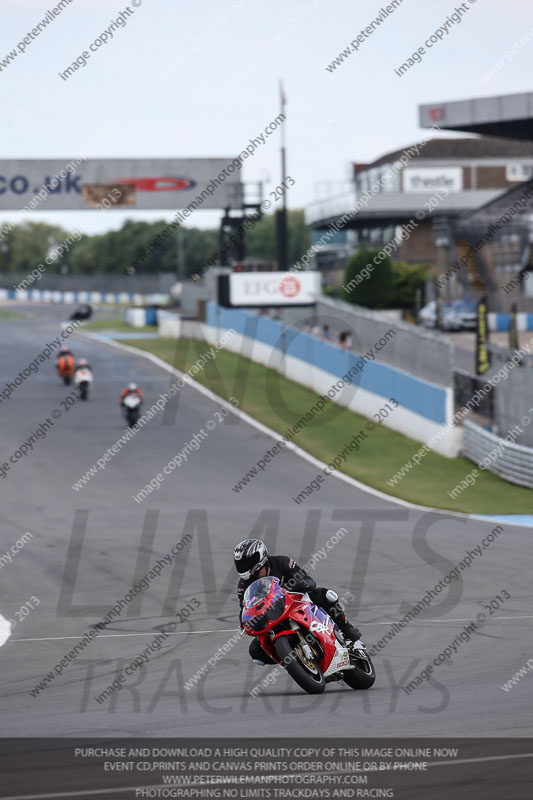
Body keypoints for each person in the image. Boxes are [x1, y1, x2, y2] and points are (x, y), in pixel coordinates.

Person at [234, 538, 362, 666]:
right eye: (241, 563)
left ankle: (347, 630)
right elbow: (245, 609)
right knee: (256, 652)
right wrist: (245, 622)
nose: (244, 566)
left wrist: (300, 585)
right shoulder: (243, 585)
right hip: (273, 617)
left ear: (260, 557)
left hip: (296, 602)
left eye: (246, 562)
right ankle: (295, 659)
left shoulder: (282, 562)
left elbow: (307, 580)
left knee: (326, 595)